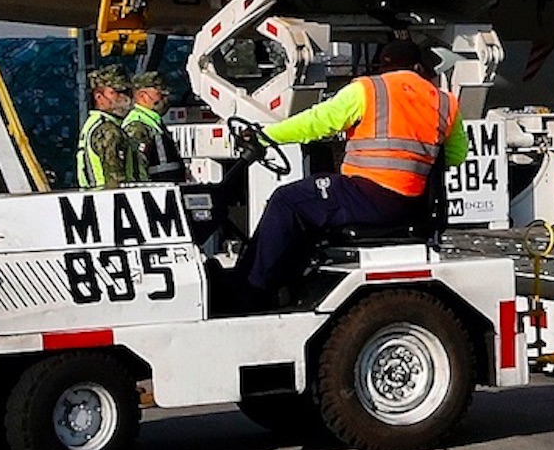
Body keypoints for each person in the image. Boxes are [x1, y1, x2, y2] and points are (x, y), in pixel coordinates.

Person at [238, 40, 467, 298]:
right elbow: (457, 156)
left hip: (367, 197)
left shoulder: (369, 89)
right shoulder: (446, 102)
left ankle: (250, 290)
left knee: (287, 201)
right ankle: (289, 285)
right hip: (412, 208)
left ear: (382, 65)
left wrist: (266, 136)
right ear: (418, 66)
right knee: (311, 206)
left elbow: (318, 122)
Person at [76, 66, 142, 189]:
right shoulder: (108, 130)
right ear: (99, 97)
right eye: (118, 92)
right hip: (108, 201)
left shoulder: (93, 123)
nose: (126, 97)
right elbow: (115, 181)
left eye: (128, 91)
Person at [123, 71, 186, 183]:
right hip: (157, 192)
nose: (166, 99)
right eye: (161, 95)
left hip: (168, 187)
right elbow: (137, 169)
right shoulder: (137, 126)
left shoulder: (153, 123)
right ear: (142, 96)